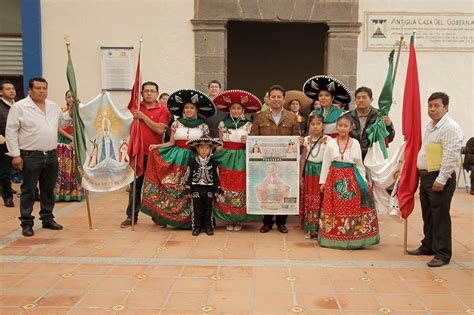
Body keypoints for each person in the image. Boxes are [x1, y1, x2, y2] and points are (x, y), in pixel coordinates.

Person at [5, 77, 71, 237]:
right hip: (30, 156)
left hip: (51, 155)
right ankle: (26, 222)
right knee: (29, 190)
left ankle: (47, 218)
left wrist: (71, 110)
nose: (42, 91)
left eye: (44, 88)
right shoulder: (20, 107)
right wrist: (15, 155)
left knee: (48, 189)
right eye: (38, 88)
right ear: (30, 90)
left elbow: (61, 124)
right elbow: (11, 131)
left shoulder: (53, 106)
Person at [140, 89, 215, 229]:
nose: (188, 110)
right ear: (183, 110)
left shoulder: (203, 125)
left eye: (191, 108)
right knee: (175, 187)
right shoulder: (176, 124)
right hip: (177, 158)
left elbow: (206, 144)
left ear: (196, 109)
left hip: (194, 159)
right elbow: (171, 143)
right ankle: (170, 217)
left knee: (192, 188)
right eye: (186, 108)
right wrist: (157, 146)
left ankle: (191, 220)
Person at [408, 92, 463, 267]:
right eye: (430, 106)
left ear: (446, 107)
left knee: (440, 216)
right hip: (426, 176)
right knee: (429, 215)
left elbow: (450, 155)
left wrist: (441, 179)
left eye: (436, 106)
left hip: (439, 177)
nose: (432, 109)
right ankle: (428, 246)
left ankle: (443, 254)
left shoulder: (450, 127)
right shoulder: (431, 126)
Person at [318, 115, 380, 249]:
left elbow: (359, 164)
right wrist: (323, 182)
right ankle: (334, 238)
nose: (342, 128)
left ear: (350, 128)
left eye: (345, 126)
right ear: (336, 126)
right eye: (340, 125)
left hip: (351, 178)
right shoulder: (331, 143)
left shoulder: (355, 143)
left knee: (351, 207)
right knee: (334, 207)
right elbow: (326, 163)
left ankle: (353, 238)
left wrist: (363, 181)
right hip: (334, 178)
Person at [250, 84, 301, 234]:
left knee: (282, 189)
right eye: (273, 97)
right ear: (268, 98)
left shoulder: (292, 117)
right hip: (265, 162)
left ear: (284, 99)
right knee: (267, 189)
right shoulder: (260, 116)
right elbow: (254, 137)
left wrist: (300, 141)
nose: (276, 99)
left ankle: (281, 222)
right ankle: (267, 222)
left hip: (285, 162)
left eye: (279, 97)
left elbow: (297, 136)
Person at [120, 81, 170, 228]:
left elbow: (160, 130)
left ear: (157, 93)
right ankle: (131, 216)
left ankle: (157, 216)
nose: (149, 93)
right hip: (137, 152)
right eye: (146, 91)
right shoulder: (134, 108)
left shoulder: (163, 110)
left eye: (152, 91)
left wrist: (143, 117)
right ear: (141, 93)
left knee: (155, 187)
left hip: (154, 153)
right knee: (135, 186)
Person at [212, 89, 262, 231]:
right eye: (233, 108)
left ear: (243, 110)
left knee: (240, 185)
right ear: (229, 109)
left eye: (238, 108)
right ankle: (228, 217)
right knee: (225, 184)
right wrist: (214, 153)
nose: (235, 110)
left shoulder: (248, 125)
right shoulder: (222, 124)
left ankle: (239, 219)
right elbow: (221, 142)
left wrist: (249, 141)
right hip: (226, 156)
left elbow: (253, 144)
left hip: (241, 155)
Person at [299, 114, 331, 239]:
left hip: (322, 171)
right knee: (309, 199)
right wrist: (300, 176)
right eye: (313, 124)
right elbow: (302, 159)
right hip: (309, 172)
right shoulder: (306, 140)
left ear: (323, 126)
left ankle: (321, 228)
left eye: (318, 124)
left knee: (321, 199)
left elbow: (330, 159)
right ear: (309, 125)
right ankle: (310, 228)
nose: (315, 127)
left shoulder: (328, 140)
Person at [184, 136, 223, 236]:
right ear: (197, 149)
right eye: (201, 148)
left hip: (209, 189)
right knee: (197, 209)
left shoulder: (213, 163)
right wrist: (188, 190)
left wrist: (217, 189)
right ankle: (196, 227)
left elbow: (216, 177)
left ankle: (208, 226)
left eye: (207, 148)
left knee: (208, 209)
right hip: (196, 189)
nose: (204, 150)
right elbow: (188, 176)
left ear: (210, 149)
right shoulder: (193, 162)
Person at [344, 86, 395, 160]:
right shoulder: (347, 117)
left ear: (371, 99)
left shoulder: (379, 117)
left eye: (364, 97)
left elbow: (389, 139)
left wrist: (388, 126)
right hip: (352, 157)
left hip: (373, 158)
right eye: (358, 98)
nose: (361, 100)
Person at [55, 90, 83, 202]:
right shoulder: (62, 112)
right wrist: (71, 138)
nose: (70, 99)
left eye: (72, 97)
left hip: (76, 142)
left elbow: (82, 127)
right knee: (62, 167)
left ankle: (74, 193)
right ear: (65, 99)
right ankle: (60, 193)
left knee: (74, 168)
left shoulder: (81, 112)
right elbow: (58, 127)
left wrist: (76, 140)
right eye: (68, 97)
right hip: (64, 141)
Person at [0, 81, 16, 207]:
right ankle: (7, 196)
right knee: (5, 172)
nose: (11, 91)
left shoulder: (20, 105)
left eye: (13, 88)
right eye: (8, 89)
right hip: (3, 144)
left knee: (28, 170)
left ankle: (34, 193)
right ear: (1, 92)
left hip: (20, 143)